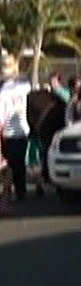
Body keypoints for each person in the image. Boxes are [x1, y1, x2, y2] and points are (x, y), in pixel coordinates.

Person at [0, 56, 33, 201]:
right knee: (20, 162)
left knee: (11, 164)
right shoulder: (23, 88)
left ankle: (10, 191)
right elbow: (28, 86)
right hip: (23, 129)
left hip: (8, 132)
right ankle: (21, 190)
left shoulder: (3, 93)